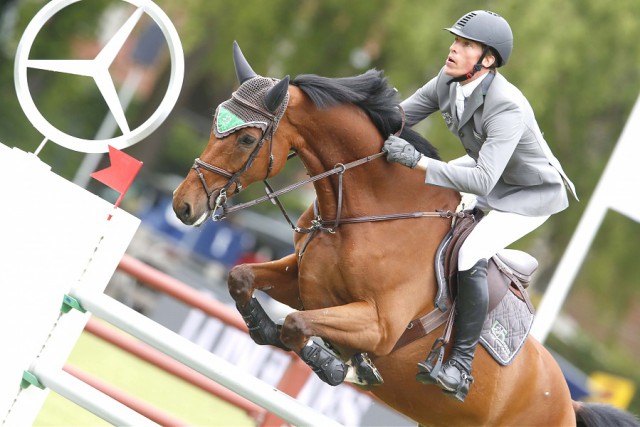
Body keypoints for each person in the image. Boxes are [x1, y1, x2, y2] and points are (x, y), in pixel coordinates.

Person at [382, 10, 578, 402]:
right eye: (456, 40)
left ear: (487, 60)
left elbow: (484, 181)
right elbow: (398, 118)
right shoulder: (448, 79)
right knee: (427, 201)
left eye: (466, 44)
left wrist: (418, 161)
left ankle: (460, 365)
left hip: (529, 193)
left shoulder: (508, 106)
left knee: (471, 252)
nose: (454, 48)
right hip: (490, 171)